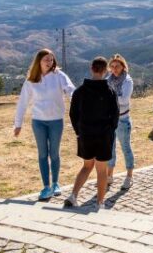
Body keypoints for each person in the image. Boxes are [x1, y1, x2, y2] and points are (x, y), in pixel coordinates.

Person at [14, 48, 75, 201]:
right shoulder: (31, 80)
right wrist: (18, 124)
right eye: (46, 59)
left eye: (51, 59)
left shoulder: (59, 76)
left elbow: (70, 90)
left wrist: (74, 98)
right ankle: (46, 186)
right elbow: (22, 103)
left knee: (54, 153)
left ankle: (55, 183)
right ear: (39, 61)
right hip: (38, 122)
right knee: (42, 154)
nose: (49, 62)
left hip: (56, 121)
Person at [64, 56, 119, 210]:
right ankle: (100, 203)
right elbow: (115, 115)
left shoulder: (80, 91)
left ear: (91, 69)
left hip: (85, 135)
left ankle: (73, 195)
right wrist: (110, 131)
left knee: (86, 166)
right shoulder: (110, 91)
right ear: (106, 70)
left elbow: (73, 114)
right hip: (103, 135)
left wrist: (78, 131)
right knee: (101, 170)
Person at [106, 54, 135, 191]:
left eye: (117, 66)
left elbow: (124, 100)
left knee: (125, 148)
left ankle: (129, 176)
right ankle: (109, 176)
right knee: (110, 150)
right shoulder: (108, 79)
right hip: (109, 119)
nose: (114, 69)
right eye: (112, 66)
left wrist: (108, 98)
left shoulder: (127, 81)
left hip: (123, 119)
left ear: (123, 66)